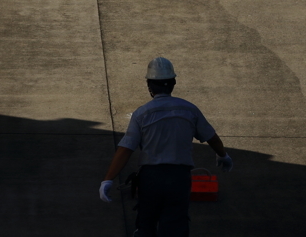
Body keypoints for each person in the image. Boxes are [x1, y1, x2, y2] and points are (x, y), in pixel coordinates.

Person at [99, 57, 233, 237]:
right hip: (179, 179)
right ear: (173, 83)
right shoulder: (190, 109)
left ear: (149, 86)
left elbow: (126, 148)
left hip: (151, 180)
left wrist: (108, 179)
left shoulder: (142, 113)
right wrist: (223, 155)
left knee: (146, 225)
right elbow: (212, 138)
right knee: (175, 227)